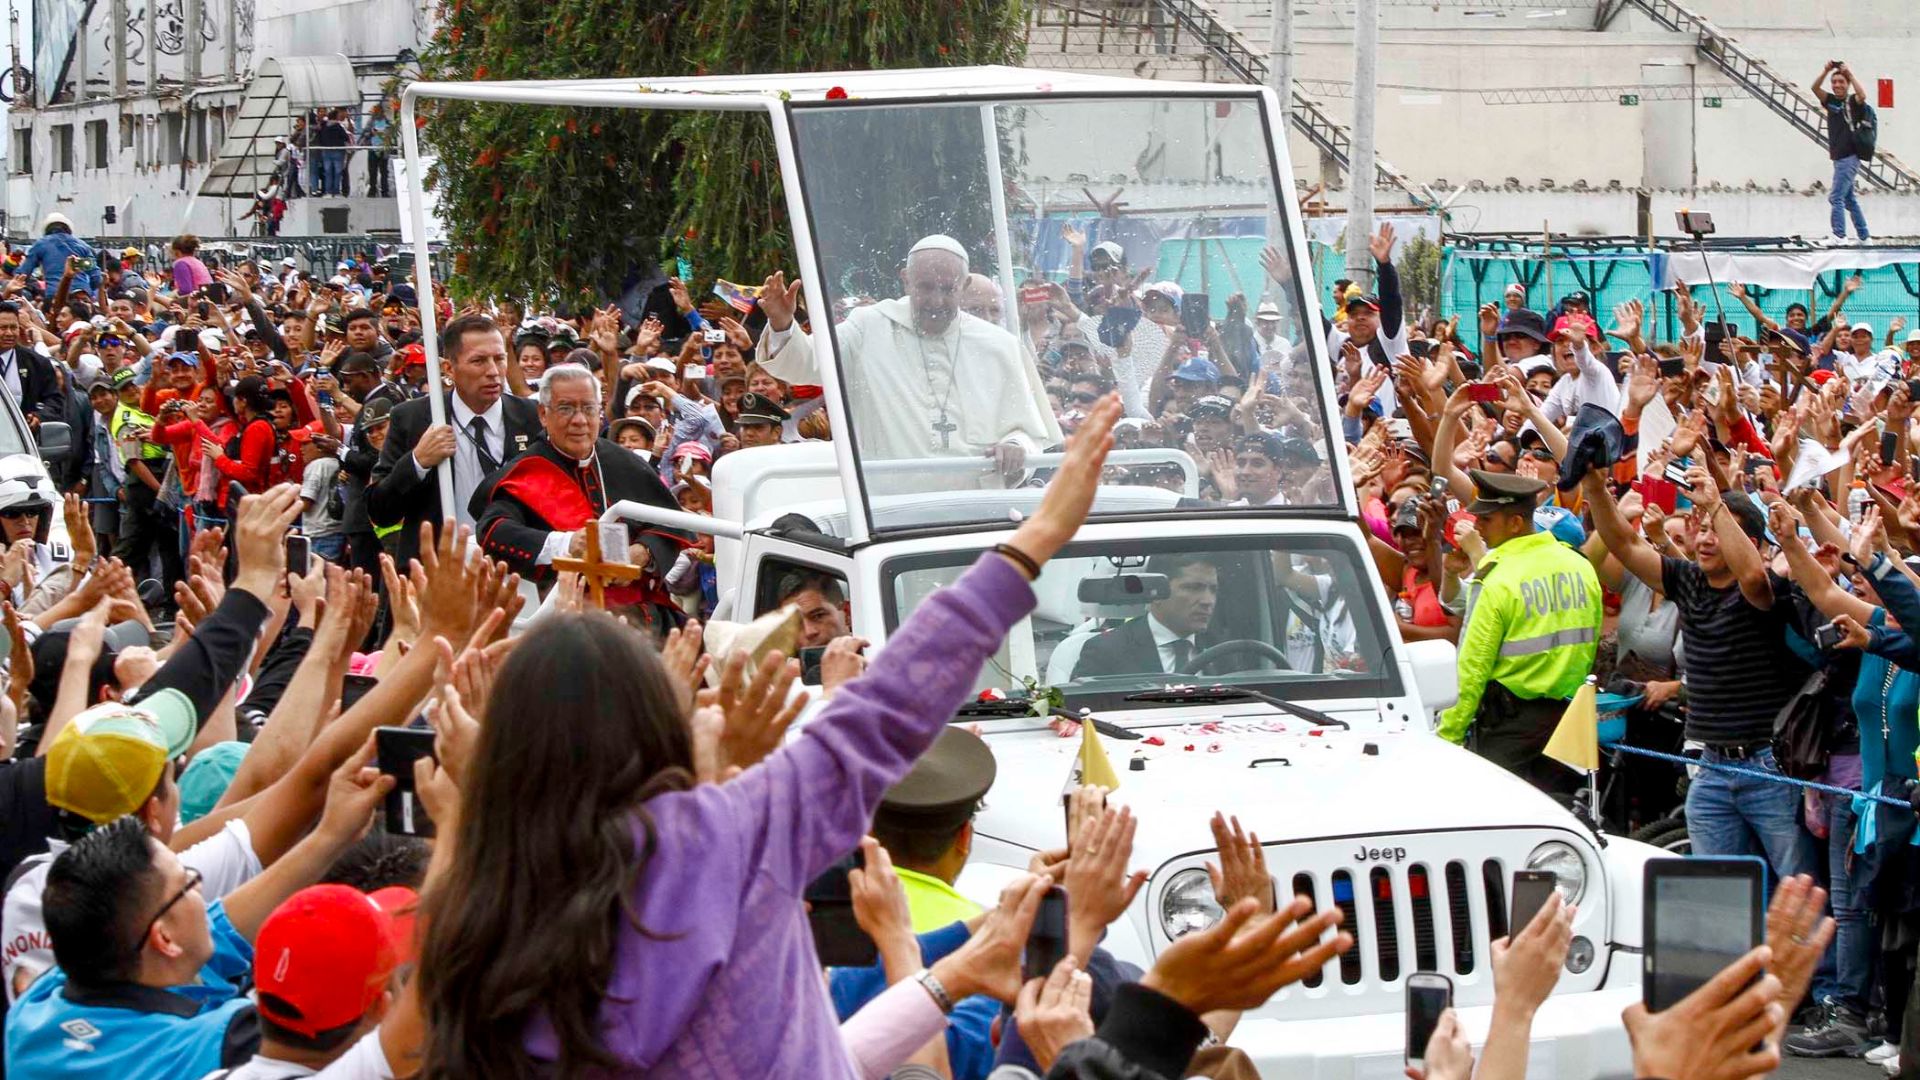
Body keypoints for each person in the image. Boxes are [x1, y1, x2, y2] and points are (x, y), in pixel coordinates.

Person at [414, 395, 1136, 1076]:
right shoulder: (735, 835)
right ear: (654, 727)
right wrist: (1035, 539)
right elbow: (886, 712)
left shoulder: (465, 914)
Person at [1581, 466, 1818, 882]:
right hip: (1710, 768)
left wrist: (1715, 502)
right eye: (1701, 528)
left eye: (1719, 530)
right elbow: (1623, 541)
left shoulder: (1765, 592)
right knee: (1716, 895)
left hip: (1768, 767)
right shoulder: (1686, 579)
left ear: (1755, 546)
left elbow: (1751, 577)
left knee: (1798, 892)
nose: (1707, 539)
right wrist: (1595, 487)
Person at [756, 237, 1061, 481]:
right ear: (905, 279)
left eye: (948, 289)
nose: (936, 300)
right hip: (892, 510)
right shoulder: (869, 327)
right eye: (925, 287)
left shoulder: (999, 346)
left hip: (979, 511)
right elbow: (806, 364)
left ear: (965, 286)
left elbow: (1030, 433)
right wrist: (783, 325)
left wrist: (1016, 447)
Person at [470, 364, 684, 624]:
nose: (579, 420)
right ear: (543, 414)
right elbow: (492, 531)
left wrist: (644, 552)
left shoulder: (624, 461)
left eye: (588, 408)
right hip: (569, 616)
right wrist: (567, 544)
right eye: (566, 408)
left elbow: (673, 524)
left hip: (645, 609)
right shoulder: (526, 471)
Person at [1436, 470, 1601, 793]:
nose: (1478, 526)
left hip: (1508, 725)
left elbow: (1471, 669)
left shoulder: (1496, 577)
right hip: (1569, 722)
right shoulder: (1579, 565)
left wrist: (1448, 739)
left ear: (1515, 523)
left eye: (1487, 519)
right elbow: (1588, 648)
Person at [369, 313, 541, 568]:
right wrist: (417, 462)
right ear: (449, 368)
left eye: (499, 359)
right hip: (438, 572)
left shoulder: (531, 416)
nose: (493, 372)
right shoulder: (413, 418)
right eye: (479, 361)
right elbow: (381, 511)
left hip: (515, 569)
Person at [1073, 553, 1222, 679]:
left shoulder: (1226, 649)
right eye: (1193, 588)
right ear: (1155, 592)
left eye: (1213, 590)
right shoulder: (1105, 652)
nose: (1208, 601)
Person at [1814, 61, 1871, 243]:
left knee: (1836, 197)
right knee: (1848, 199)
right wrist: (1826, 70)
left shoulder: (1852, 102)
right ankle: (1864, 236)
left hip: (1849, 156)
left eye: (1841, 82)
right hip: (1839, 157)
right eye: (1835, 82)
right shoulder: (1830, 101)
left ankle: (1839, 235)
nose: (1837, 85)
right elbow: (1815, 88)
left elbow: (1862, 95)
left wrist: (1850, 74)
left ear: (1847, 85)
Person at [16, 214, 100, 298]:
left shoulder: (41, 244)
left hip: (55, 294)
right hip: (82, 294)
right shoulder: (83, 245)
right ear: (68, 229)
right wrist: (88, 290)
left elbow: (22, 275)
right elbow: (96, 277)